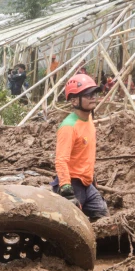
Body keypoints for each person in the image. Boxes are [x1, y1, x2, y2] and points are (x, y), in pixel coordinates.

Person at [53, 74, 108, 221]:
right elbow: (61, 160)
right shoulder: (68, 127)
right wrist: (66, 189)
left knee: (102, 214)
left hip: (86, 183)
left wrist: (91, 176)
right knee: (71, 223)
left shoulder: (88, 118)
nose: (93, 97)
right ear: (74, 100)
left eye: (94, 93)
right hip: (72, 184)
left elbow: (86, 153)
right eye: (87, 94)